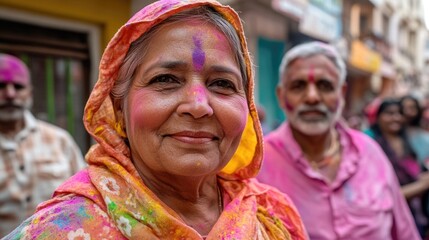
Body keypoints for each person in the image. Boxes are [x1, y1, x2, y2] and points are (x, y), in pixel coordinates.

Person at [4, 1, 307, 239]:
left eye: (222, 84)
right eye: (166, 79)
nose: (199, 106)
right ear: (118, 107)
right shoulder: (60, 230)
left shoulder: (273, 217)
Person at [256, 41, 420, 239]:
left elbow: (405, 232)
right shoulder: (257, 164)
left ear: (341, 93)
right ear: (281, 96)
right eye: (298, 86)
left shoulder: (371, 153)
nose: (312, 97)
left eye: (325, 86)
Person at [0, 53, 85, 237]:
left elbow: (85, 197)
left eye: (18, 86)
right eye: (1, 86)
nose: (10, 94)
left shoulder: (59, 140)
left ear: (29, 92)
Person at [370, 98, 429, 237]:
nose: (395, 118)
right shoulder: (373, 147)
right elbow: (379, 196)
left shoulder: (408, 144)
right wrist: (421, 185)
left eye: (399, 113)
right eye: (389, 113)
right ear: (378, 117)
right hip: (385, 218)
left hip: (413, 215)